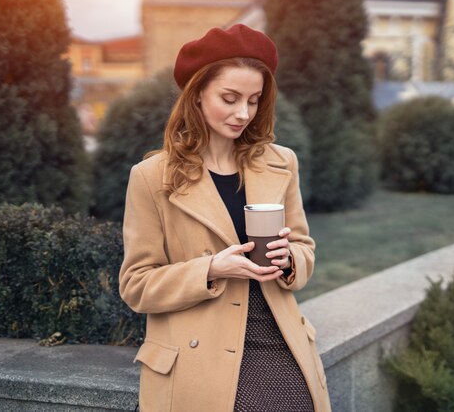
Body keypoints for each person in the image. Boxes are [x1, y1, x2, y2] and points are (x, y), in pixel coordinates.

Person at [119, 24, 331, 412]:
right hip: (198, 352)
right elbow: (136, 285)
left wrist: (289, 260)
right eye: (230, 98)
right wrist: (211, 268)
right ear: (197, 93)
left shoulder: (281, 163)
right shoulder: (151, 177)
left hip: (280, 337)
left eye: (253, 100)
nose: (243, 114)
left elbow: (304, 248)